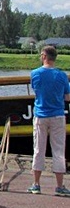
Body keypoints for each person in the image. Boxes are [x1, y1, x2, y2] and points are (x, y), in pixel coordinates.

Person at [27, 45, 70, 196]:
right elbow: (67, 97)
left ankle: (36, 184)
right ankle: (59, 185)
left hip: (41, 114)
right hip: (57, 114)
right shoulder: (62, 75)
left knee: (38, 149)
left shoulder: (35, 74)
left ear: (44, 56)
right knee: (58, 150)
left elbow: (36, 90)